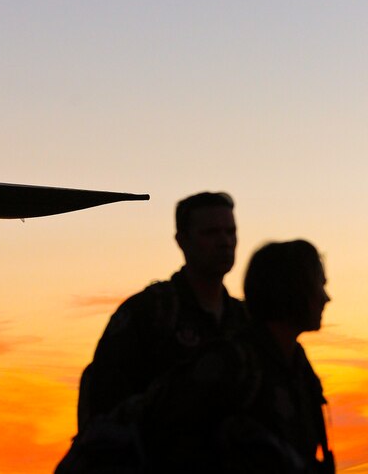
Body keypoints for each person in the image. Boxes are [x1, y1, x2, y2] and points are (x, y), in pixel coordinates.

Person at [137, 240, 334, 473]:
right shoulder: (232, 364)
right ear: (294, 291)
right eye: (318, 287)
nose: (326, 298)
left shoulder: (298, 366)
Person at [76, 191, 249, 429]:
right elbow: (105, 405)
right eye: (211, 232)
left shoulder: (247, 319)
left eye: (230, 232)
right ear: (182, 240)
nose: (225, 242)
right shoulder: (147, 313)